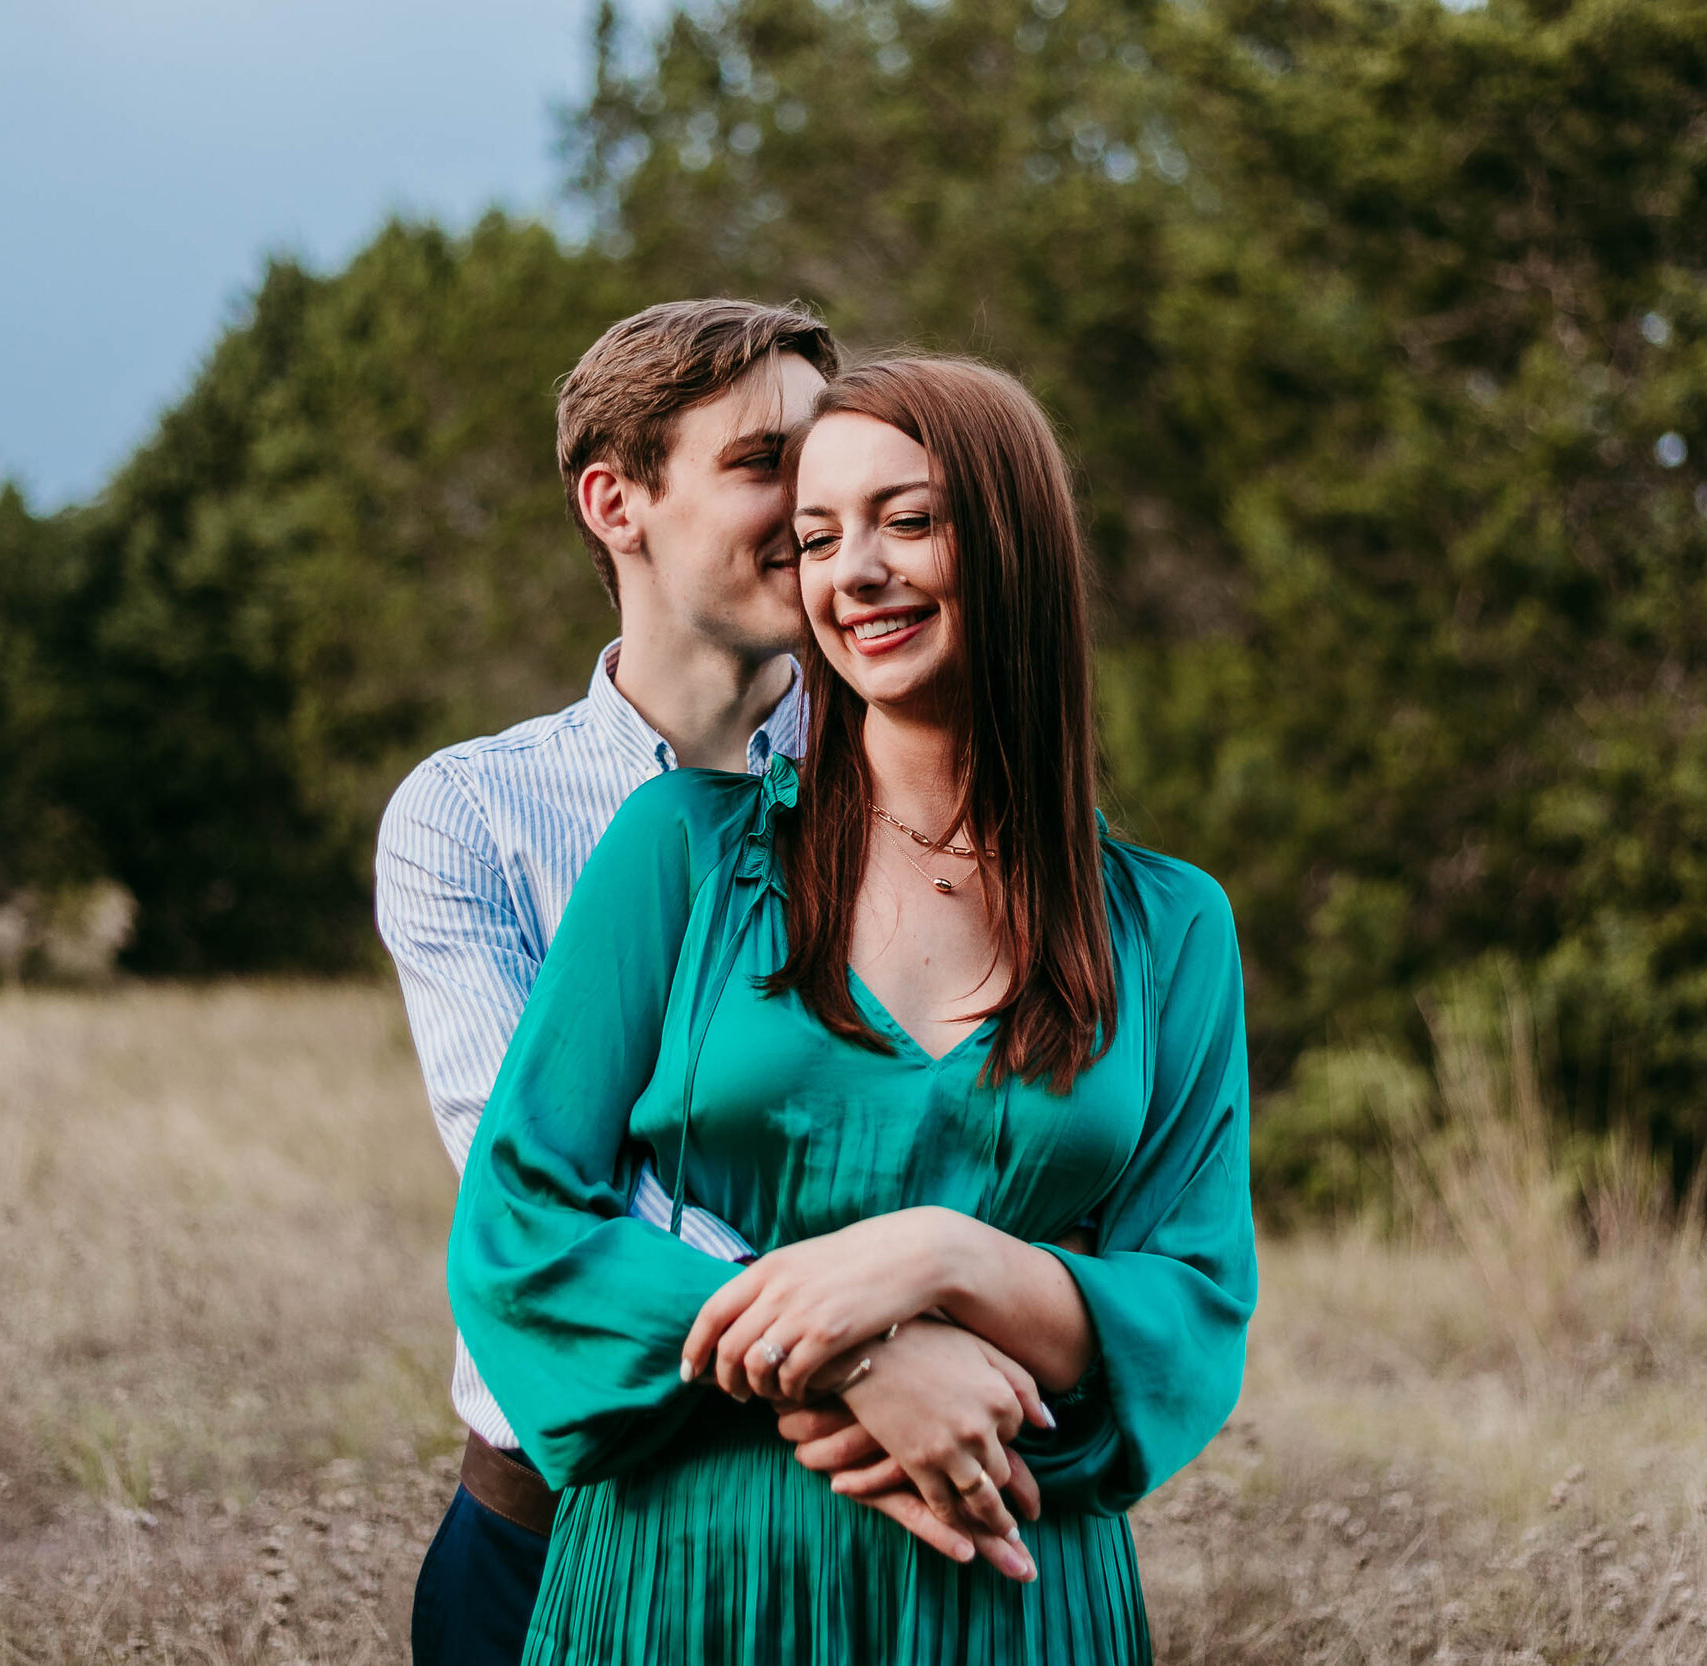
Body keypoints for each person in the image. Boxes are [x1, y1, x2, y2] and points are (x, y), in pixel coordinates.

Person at [449, 356, 1258, 1665]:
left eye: (909, 520)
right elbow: (520, 1222)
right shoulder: (685, 855)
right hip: (687, 1589)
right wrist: (855, 1354)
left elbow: (1194, 1299)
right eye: (818, 536)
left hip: (1014, 1599)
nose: (853, 569)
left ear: (1012, 541)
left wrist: (950, 1255)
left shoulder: (1170, 928)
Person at [379, 304, 1047, 1666]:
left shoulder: (933, 777)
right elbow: (537, 1197)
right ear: (615, 500)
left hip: (874, 1518)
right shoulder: (471, 816)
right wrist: (859, 1343)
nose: (814, 507)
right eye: (762, 462)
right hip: (562, 1517)